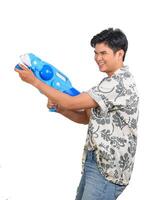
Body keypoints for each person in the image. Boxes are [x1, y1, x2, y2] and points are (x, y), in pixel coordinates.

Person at [15, 28, 139, 200]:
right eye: (96, 53)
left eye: (103, 53)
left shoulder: (119, 83)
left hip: (108, 170)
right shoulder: (108, 82)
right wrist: (60, 109)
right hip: (96, 162)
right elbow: (87, 118)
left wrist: (34, 81)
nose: (98, 58)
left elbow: (71, 102)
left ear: (120, 54)